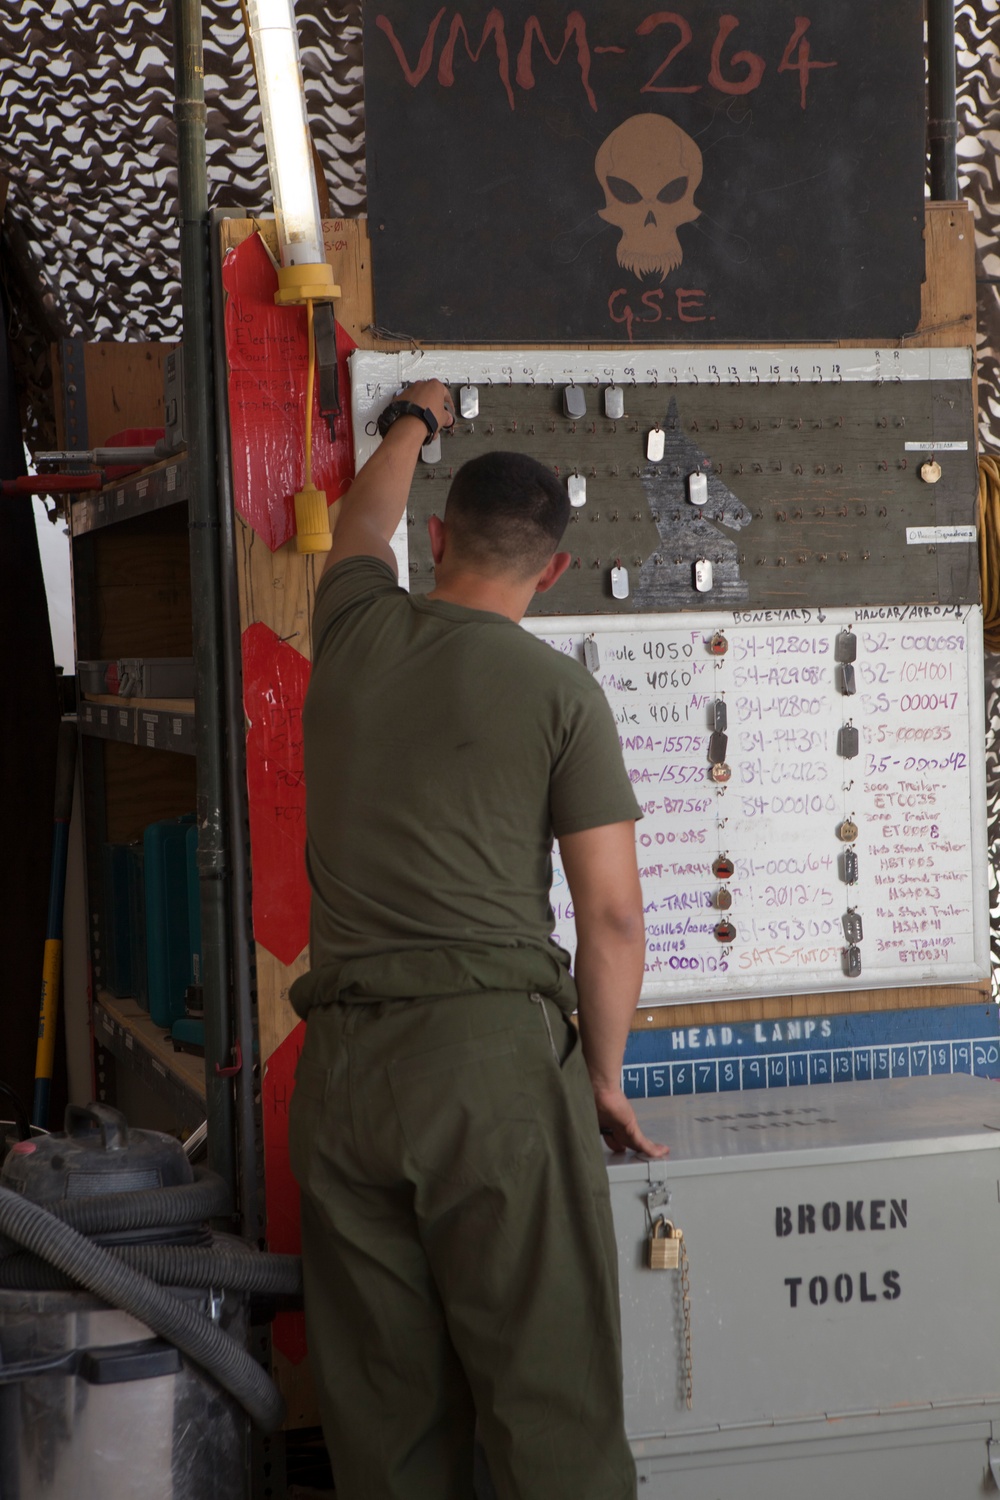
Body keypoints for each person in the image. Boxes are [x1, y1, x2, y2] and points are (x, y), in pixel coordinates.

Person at [288, 378, 668, 1500]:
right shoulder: (560, 696)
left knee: (387, 1430)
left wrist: (414, 420)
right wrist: (599, 1074)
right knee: (549, 1414)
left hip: (345, 1074)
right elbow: (610, 916)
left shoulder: (353, 626)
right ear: (552, 572)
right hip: (493, 1077)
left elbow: (361, 524)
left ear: (437, 538)